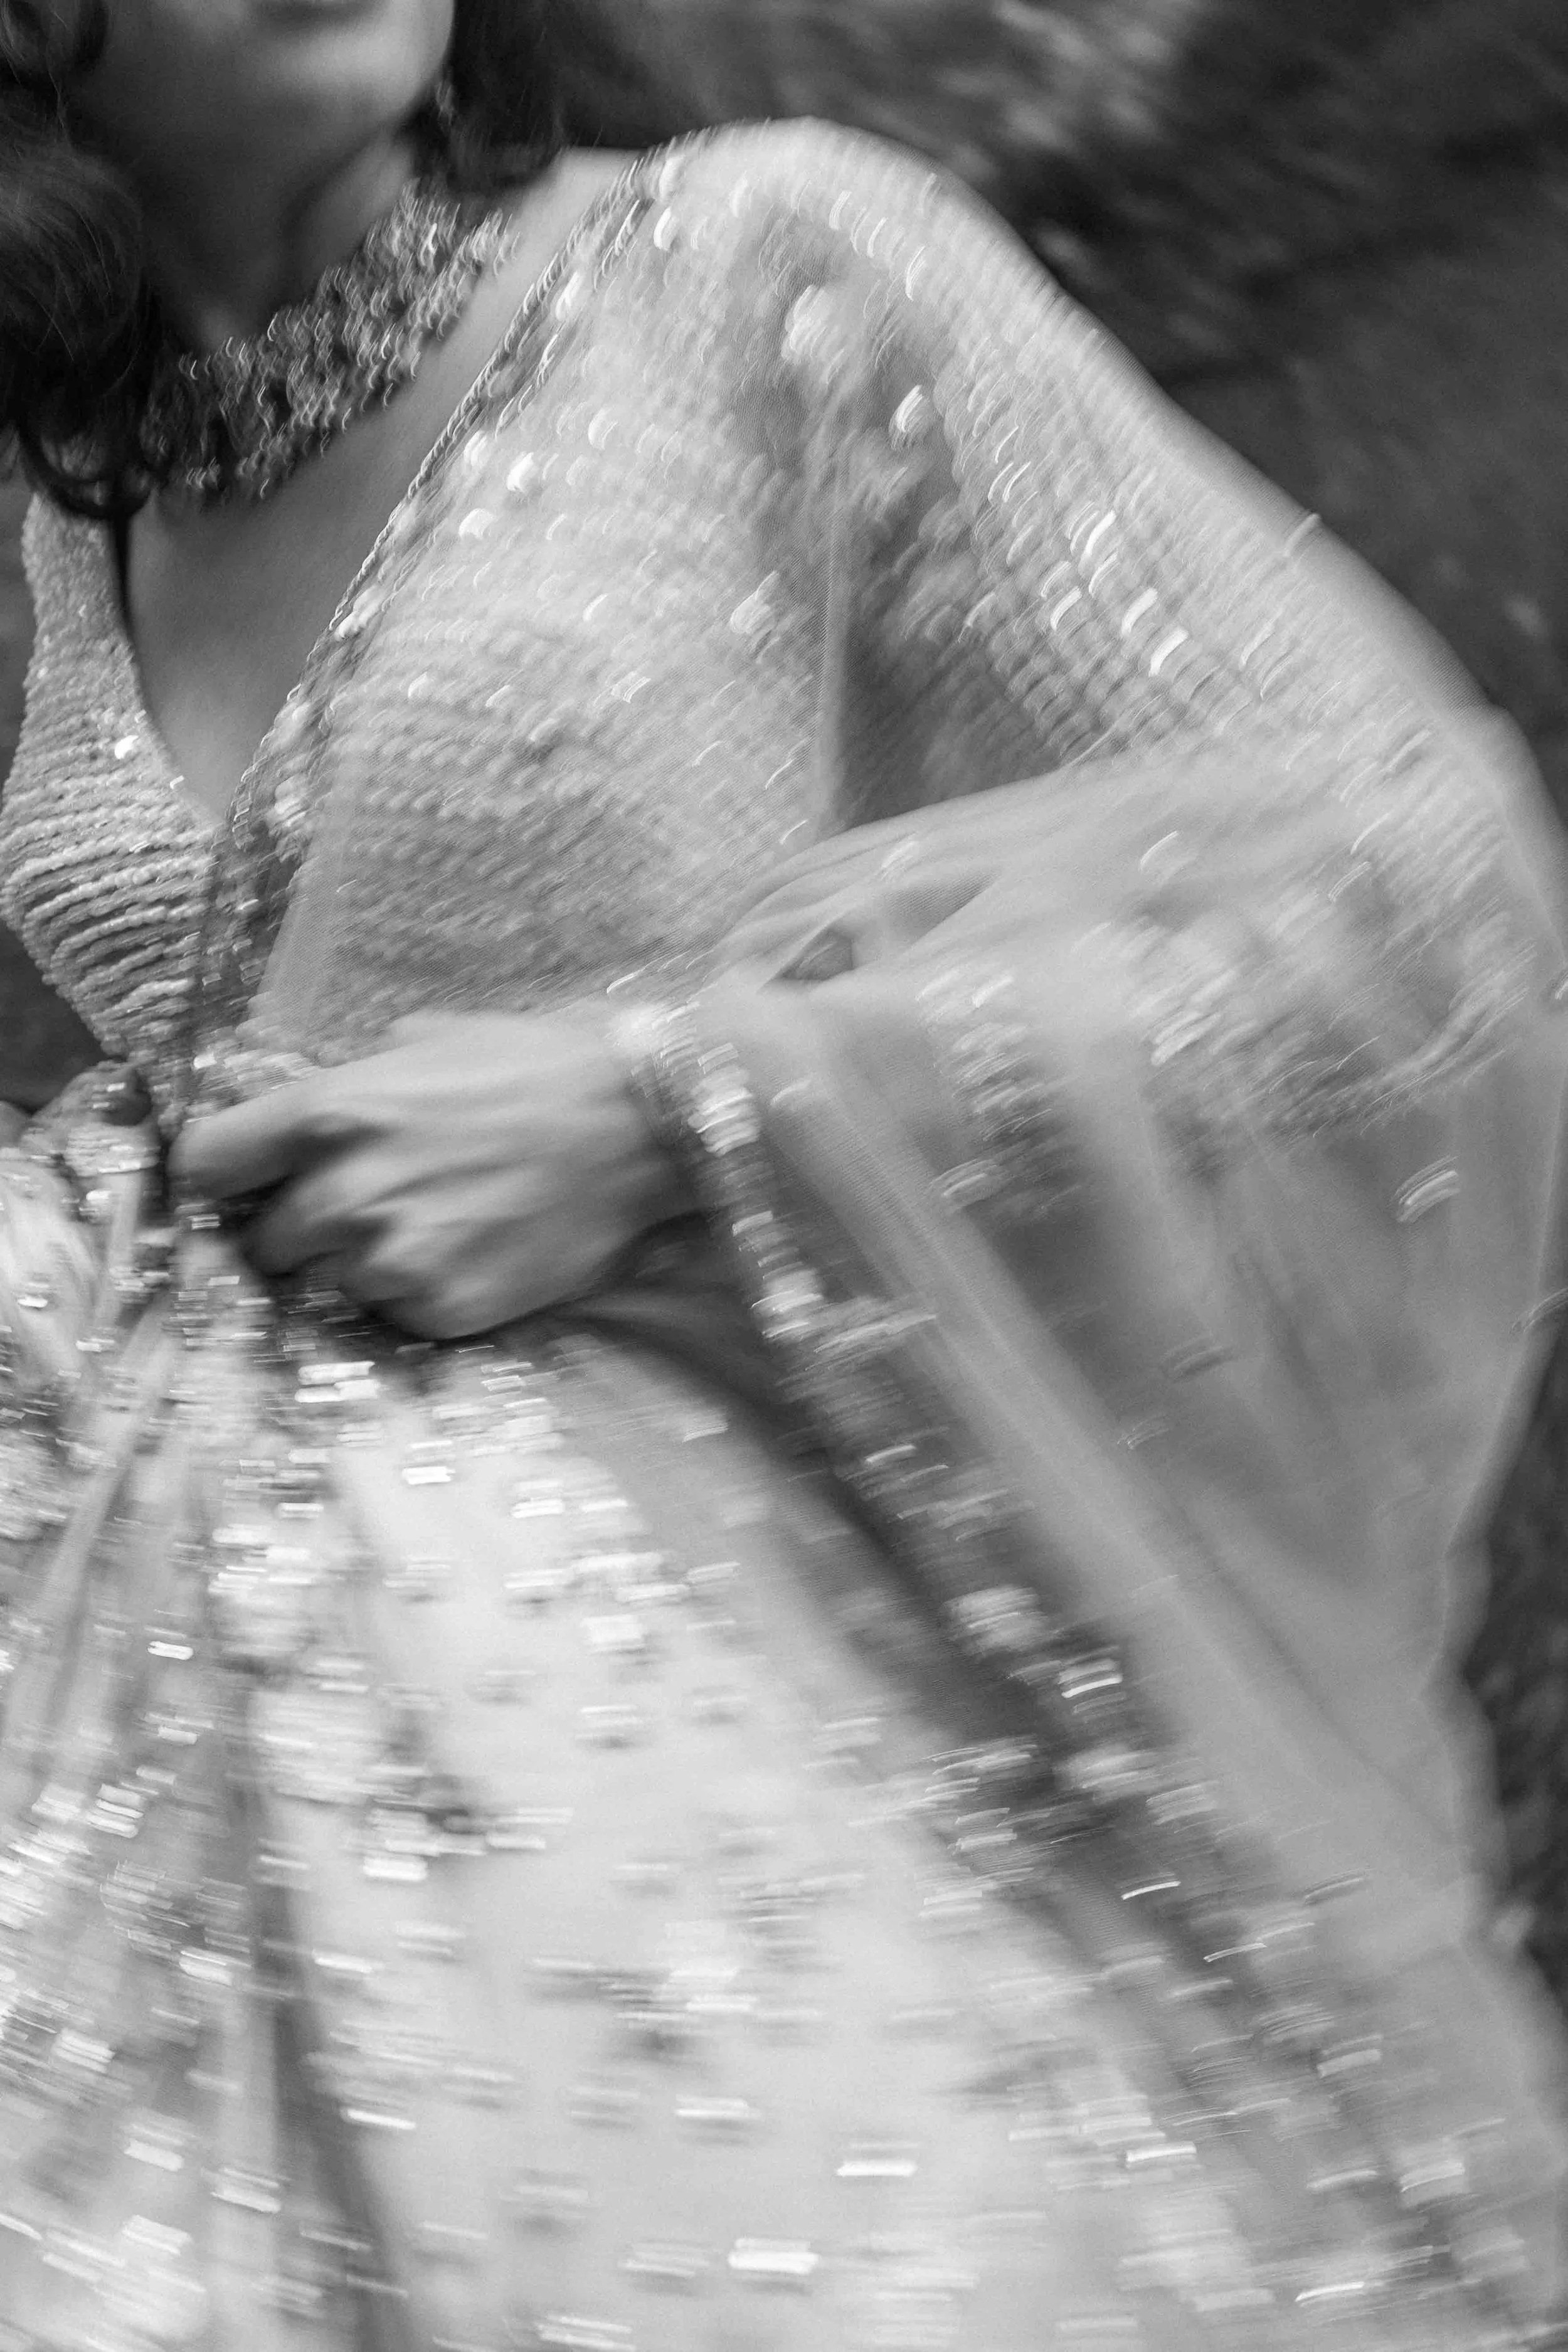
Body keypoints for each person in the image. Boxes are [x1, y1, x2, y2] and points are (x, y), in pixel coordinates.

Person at [1, 3, 1567, 2344]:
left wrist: (677, 1109)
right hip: (148, 1769)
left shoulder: (764, 264)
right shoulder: (67, 502)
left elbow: (1406, 892)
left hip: (757, 1811)